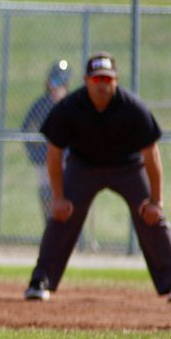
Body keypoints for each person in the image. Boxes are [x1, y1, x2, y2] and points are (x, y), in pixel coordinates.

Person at [25, 52, 169, 302]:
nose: (102, 84)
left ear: (116, 80)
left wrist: (156, 199)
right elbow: (54, 153)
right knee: (61, 214)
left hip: (128, 167)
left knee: (151, 215)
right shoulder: (70, 107)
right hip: (84, 167)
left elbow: (151, 154)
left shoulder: (131, 107)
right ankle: (41, 280)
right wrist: (57, 198)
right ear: (86, 80)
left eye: (107, 79)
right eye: (96, 79)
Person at [21, 60, 71, 221]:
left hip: (68, 160)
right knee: (46, 194)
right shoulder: (41, 105)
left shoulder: (72, 103)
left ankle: (72, 233)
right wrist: (34, 153)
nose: (57, 87)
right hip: (45, 159)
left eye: (62, 82)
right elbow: (26, 129)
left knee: (69, 195)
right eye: (54, 82)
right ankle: (50, 227)